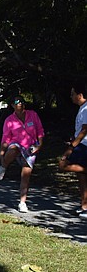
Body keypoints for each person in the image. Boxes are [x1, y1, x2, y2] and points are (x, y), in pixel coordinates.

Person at [0, 95, 44, 213]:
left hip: (30, 147)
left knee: (25, 175)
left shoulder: (33, 115)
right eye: (17, 102)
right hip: (16, 144)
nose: (20, 104)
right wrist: (1, 153)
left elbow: (40, 130)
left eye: (22, 101)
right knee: (14, 149)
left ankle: (22, 202)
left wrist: (39, 145)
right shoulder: (9, 120)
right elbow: (5, 138)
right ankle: (3, 167)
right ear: (12, 105)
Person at [58, 79, 87, 218]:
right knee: (81, 176)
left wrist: (71, 146)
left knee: (63, 164)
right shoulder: (82, 108)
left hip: (84, 145)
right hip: (80, 144)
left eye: (72, 93)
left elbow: (84, 130)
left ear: (80, 95)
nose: (71, 96)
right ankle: (85, 206)